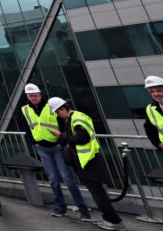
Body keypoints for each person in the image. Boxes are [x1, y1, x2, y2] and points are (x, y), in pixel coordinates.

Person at [49, 97, 126, 231]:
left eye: (57, 112)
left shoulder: (76, 119)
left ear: (63, 108)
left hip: (88, 161)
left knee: (98, 193)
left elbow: (82, 138)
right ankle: (107, 218)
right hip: (85, 161)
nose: (58, 115)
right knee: (97, 192)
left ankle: (114, 220)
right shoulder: (74, 118)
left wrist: (61, 136)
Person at [21, 83, 90, 219]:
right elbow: (26, 127)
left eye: (35, 95)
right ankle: (60, 208)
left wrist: (61, 143)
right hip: (42, 148)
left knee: (67, 178)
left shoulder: (51, 106)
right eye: (30, 96)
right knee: (52, 179)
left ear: (40, 95)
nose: (33, 98)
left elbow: (64, 124)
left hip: (56, 146)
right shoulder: (25, 109)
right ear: (27, 97)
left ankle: (84, 210)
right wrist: (33, 142)